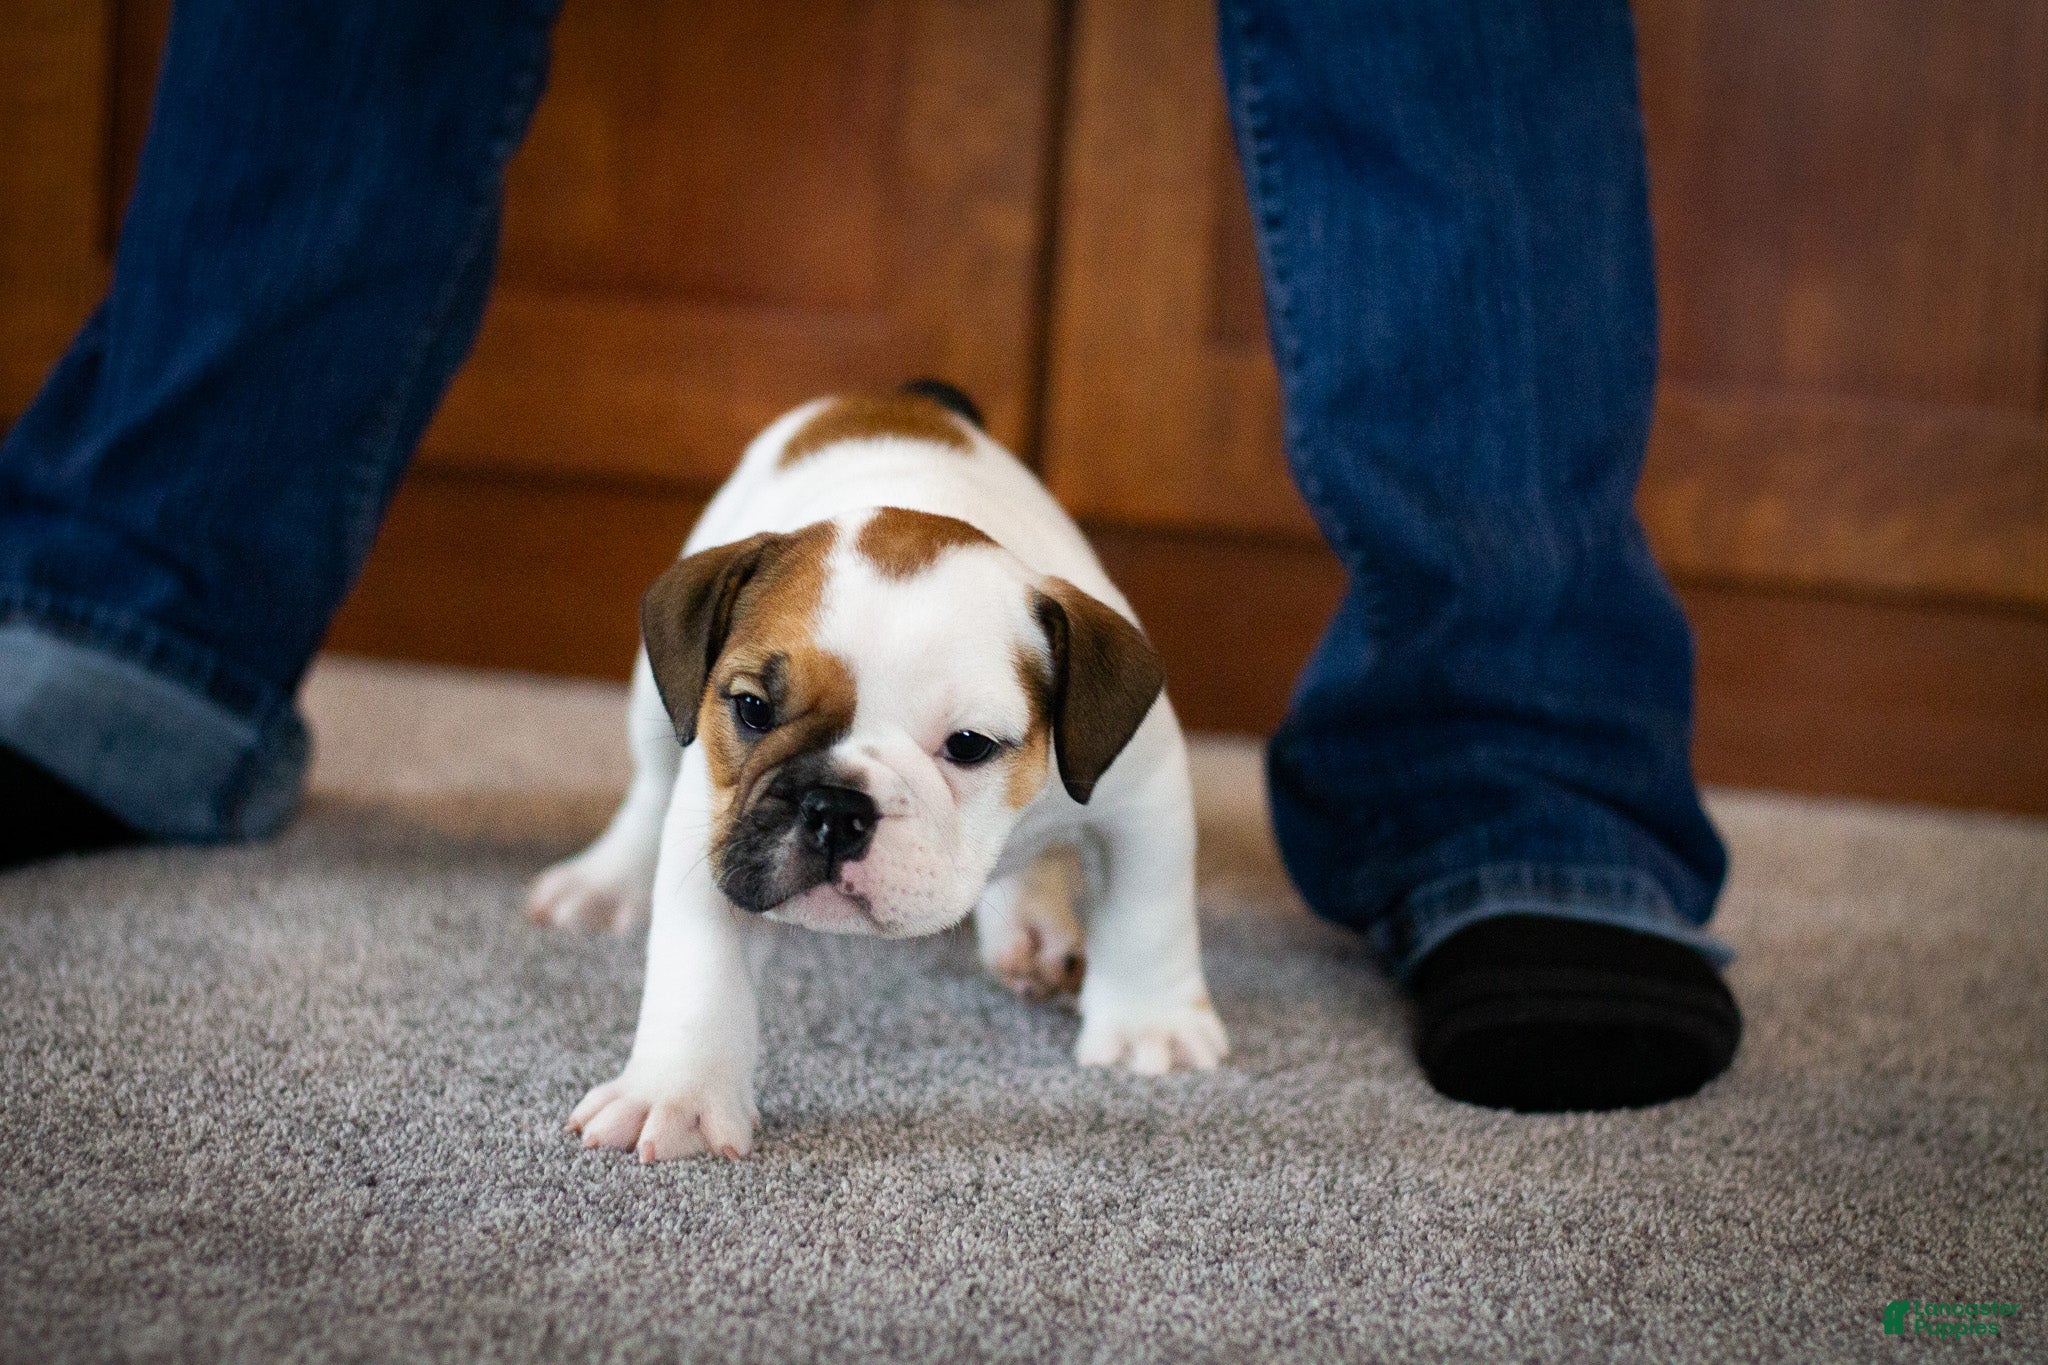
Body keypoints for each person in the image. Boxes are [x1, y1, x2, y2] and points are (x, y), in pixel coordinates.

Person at [0, 0, 1738, 1112]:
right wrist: (688, 1031)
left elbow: (1141, 804)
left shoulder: (1091, 661)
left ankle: (1512, 790)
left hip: (942, 572)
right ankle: (135, 626)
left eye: (967, 746)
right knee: (691, 792)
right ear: (717, 652)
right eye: (768, 712)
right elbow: (733, 776)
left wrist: (1153, 970)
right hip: (799, 486)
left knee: (1049, 839)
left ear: (1069, 699)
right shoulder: (737, 590)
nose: (837, 810)